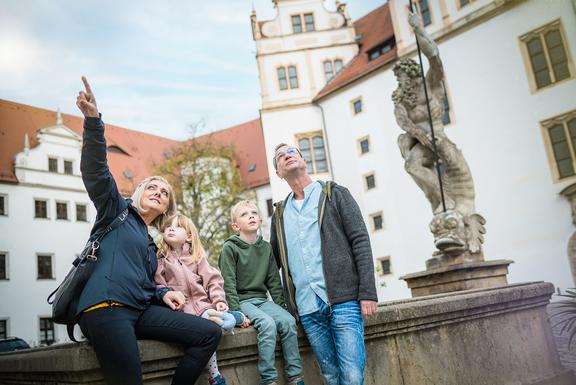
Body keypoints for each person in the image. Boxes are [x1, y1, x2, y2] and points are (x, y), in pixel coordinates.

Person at [75, 76, 222, 385]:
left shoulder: (149, 240)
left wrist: (164, 291)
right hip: (107, 307)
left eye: (164, 192)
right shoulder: (115, 210)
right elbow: (96, 171)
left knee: (209, 333)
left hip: (139, 310)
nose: (157, 192)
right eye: (151, 187)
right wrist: (93, 123)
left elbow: (144, 284)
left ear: (166, 209)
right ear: (138, 192)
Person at [270, 144, 378, 385]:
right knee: (330, 376)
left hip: (344, 299)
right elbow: (270, 263)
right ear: (278, 172)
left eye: (292, 152)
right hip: (307, 308)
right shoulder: (279, 214)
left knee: (351, 376)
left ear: (304, 161)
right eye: (280, 157)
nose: (287, 156)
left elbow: (360, 240)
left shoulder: (334, 193)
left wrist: (368, 292)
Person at [155, 213, 251, 385]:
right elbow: (159, 286)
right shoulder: (161, 261)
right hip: (183, 312)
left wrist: (219, 300)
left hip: (204, 306)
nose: (170, 228)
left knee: (212, 319)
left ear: (189, 236)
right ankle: (215, 375)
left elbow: (213, 281)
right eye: (168, 226)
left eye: (177, 227)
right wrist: (168, 295)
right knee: (208, 329)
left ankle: (233, 316)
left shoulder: (197, 258)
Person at [219, 200, 305, 385]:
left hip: (262, 300)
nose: (250, 215)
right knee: (267, 325)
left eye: (253, 212)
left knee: (288, 322)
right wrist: (237, 312)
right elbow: (229, 283)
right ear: (236, 226)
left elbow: (274, 282)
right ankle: (269, 379)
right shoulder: (230, 248)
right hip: (243, 302)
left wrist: (282, 308)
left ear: (260, 219)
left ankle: (295, 377)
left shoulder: (265, 248)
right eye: (244, 214)